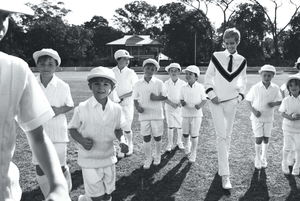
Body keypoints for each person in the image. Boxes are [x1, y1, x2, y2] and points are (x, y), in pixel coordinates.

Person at [0, 3, 70, 201]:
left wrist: (58, 186)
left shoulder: (16, 69)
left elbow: (37, 136)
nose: (0, 25)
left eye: (4, 17)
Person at [68, 67, 128, 201]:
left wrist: (122, 140)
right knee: (97, 196)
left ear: (112, 88)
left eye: (105, 84)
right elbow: (72, 128)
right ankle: (88, 198)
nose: (101, 87)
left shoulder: (116, 109)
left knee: (107, 194)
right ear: (90, 86)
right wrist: (82, 141)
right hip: (89, 159)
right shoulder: (82, 108)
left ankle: (84, 199)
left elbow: (118, 129)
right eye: (97, 84)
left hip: (108, 158)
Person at [204, 27, 247, 189]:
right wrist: (211, 94)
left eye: (232, 43)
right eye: (227, 43)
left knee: (227, 136)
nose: (229, 46)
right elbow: (208, 77)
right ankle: (225, 175)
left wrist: (239, 97)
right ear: (223, 42)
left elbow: (243, 81)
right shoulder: (216, 56)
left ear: (237, 43)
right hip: (216, 101)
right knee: (221, 136)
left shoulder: (242, 60)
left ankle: (223, 163)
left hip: (232, 102)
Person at [33, 48, 74, 197]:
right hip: (37, 132)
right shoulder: (31, 83)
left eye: (50, 64)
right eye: (42, 64)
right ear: (37, 66)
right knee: (39, 167)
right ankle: (48, 196)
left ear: (56, 66)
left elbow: (70, 105)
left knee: (60, 166)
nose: (46, 67)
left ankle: (64, 194)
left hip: (57, 132)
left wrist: (57, 110)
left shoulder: (63, 85)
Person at [133, 58, 167, 169]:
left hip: (157, 114)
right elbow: (135, 98)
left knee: (157, 137)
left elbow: (165, 96)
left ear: (155, 71)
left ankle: (157, 155)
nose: (149, 70)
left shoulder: (159, 82)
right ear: (143, 68)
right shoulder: (138, 83)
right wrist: (138, 107)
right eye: (147, 68)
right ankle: (148, 158)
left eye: (152, 69)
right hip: (144, 115)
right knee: (146, 137)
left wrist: (156, 98)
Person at [245, 65, 282, 169]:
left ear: (273, 76)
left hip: (269, 117)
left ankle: (263, 157)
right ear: (260, 74)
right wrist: (254, 111)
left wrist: (274, 104)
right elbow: (248, 101)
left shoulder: (275, 88)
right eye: (264, 75)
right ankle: (257, 157)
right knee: (258, 138)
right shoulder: (255, 87)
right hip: (256, 118)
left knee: (266, 138)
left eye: (269, 75)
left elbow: (280, 100)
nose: (266, 77)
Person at [112, 49, 139, 158]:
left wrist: (121, 97)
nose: (127, 61)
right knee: (118, 127)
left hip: (128, 104)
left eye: (128, 59)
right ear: (118, 59)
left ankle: (129, 145)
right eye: (125, 58)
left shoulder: (131, 72)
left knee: (127, 127)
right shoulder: (111, 72)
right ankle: (121, 147)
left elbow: (136, 89)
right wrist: (115, 99)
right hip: (115, 104)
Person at [180, 65, 207, 162]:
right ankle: (187, 146)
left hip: (196, 115)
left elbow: (204, 100)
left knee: (194, 135)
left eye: (190, 74)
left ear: (196, 76)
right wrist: (182, 103)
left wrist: (199, 106)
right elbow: (181, 99)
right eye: (186, 74)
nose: (187, 76)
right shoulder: (183, 87)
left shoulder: (200, 87)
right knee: (185, 134)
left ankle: (193, 152)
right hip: (185, 114)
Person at [279, 57, 300, 166]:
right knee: (292, 139)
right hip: (293, 106)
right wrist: (284, 101)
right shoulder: (295, 77)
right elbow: (282, 88)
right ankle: (291, 158)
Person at [164, 63, 186, 151]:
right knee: (170, 126)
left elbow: (185, 96)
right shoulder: (166, 83)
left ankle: (179, 142)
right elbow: (163, 97)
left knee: (180, 126)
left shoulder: (183, 83)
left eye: (175, 71)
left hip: (180, 109)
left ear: (179, 72)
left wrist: (181, 103)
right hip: (169, 108)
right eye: (171, 71)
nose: (173, 72)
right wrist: (171, 104)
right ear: (169, 72)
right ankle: (170, 144)